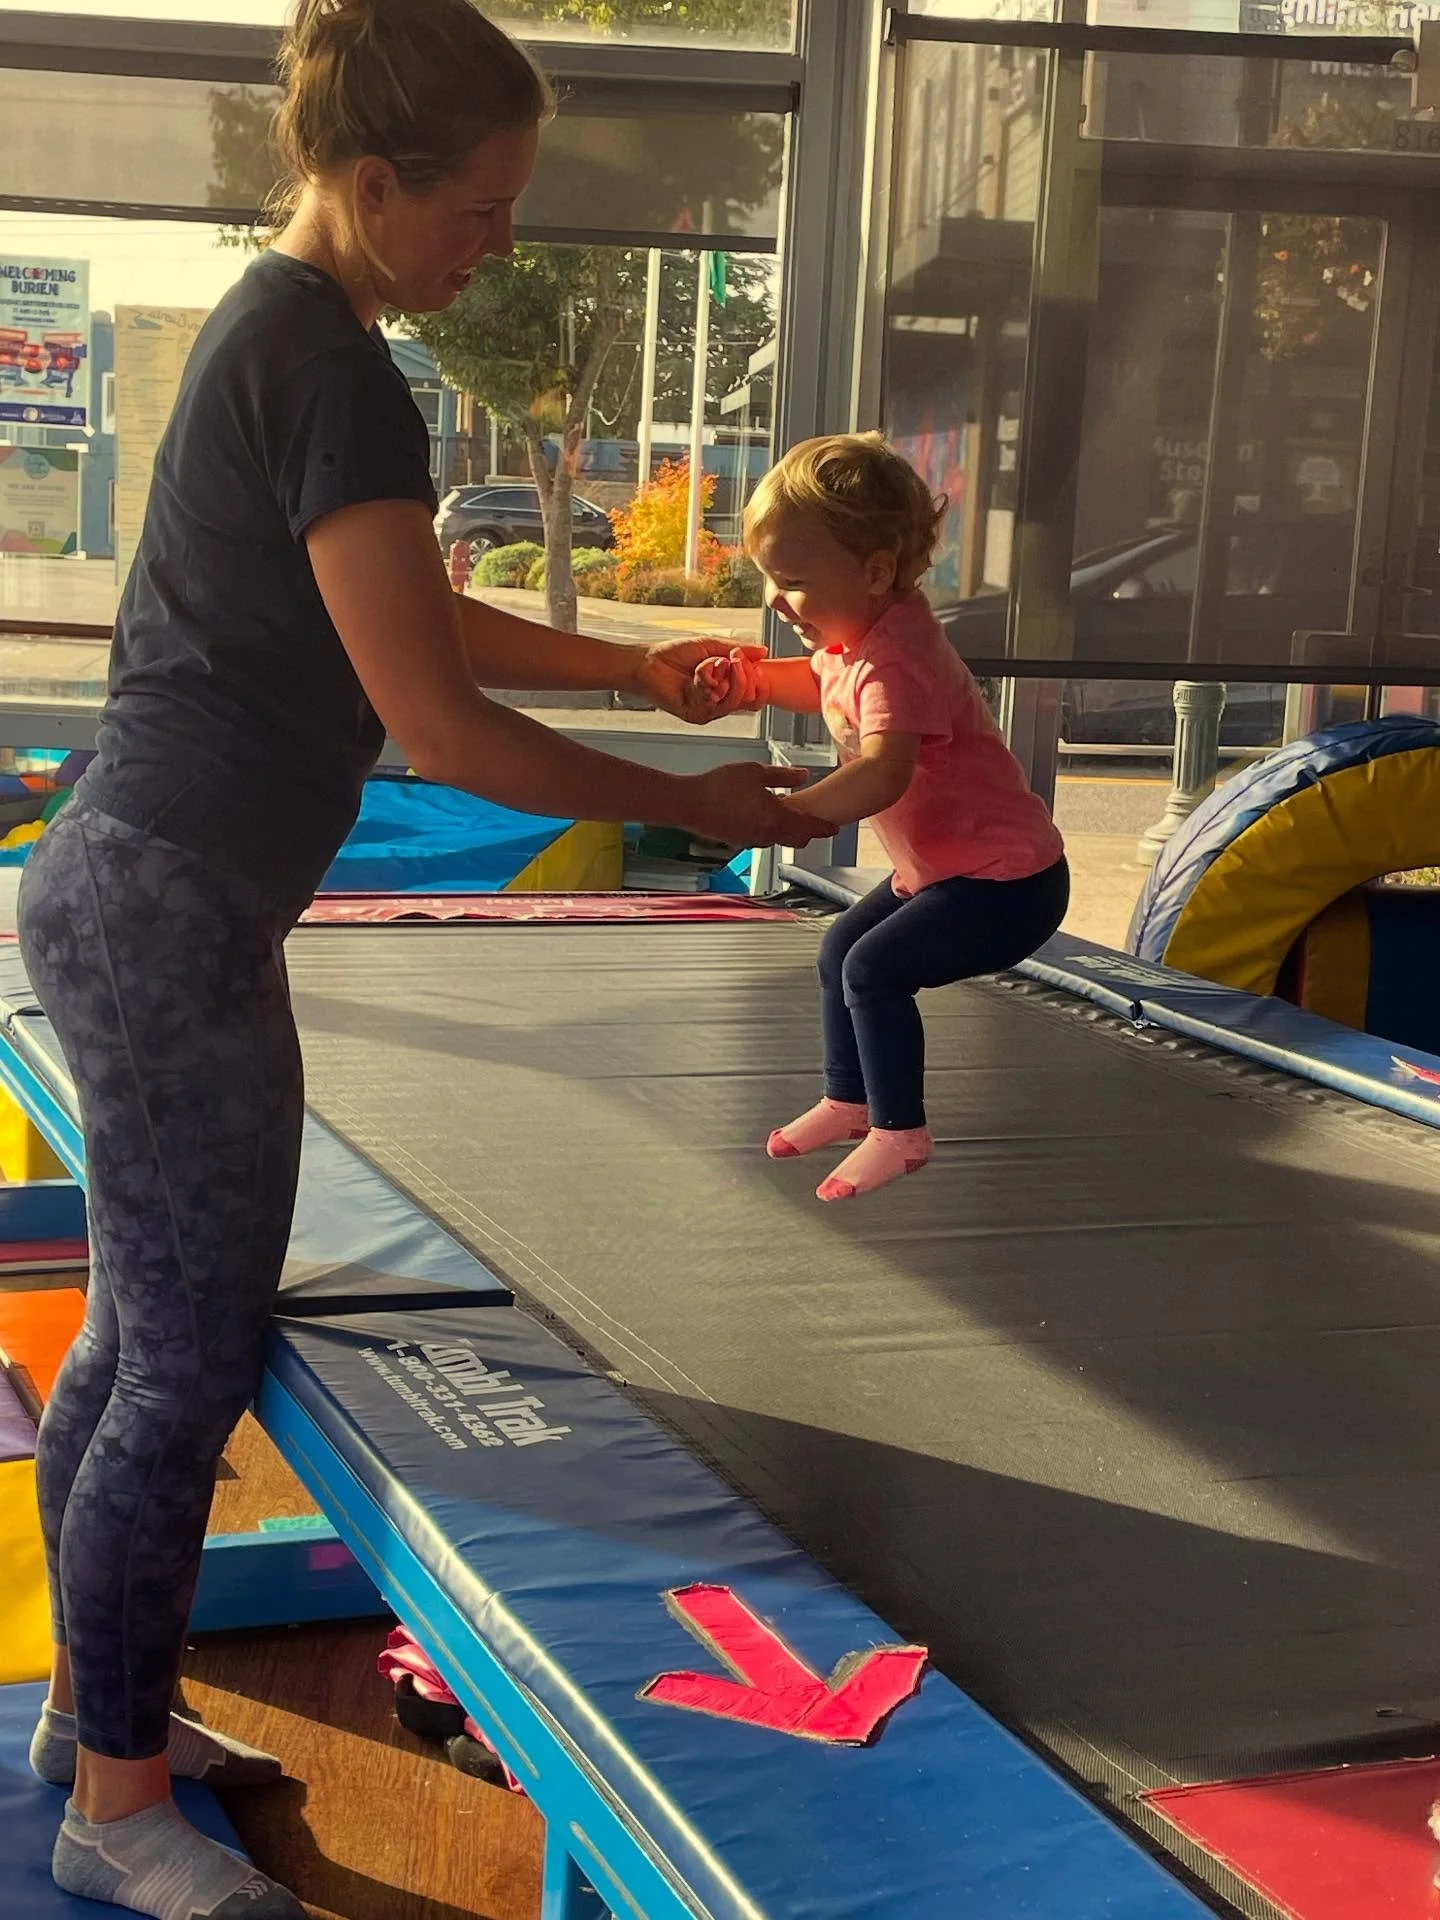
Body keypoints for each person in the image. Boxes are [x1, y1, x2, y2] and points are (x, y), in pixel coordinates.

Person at [16, 4, 817, 1915]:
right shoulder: (332, 367)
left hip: (135, 891)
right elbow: (438, 730)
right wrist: (722, 797)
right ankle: (117, 1808)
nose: (500, 248)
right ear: (374, 184)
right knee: (182, 1357)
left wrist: (632, 664)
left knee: (137, 1341)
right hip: (170, 911)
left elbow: (403, 608)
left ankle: (89, 1719)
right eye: (483, 207)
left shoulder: (282, 336)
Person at [696, 433, 1069, 1203]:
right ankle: (850, 1097)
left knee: (874, 970)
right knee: (839, 953)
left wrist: (789, 816)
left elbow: (883, 768)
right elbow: (826, 678)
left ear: (874, 571)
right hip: (944, 871)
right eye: (769, 577)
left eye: (791, 580)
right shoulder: (861, 633)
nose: (774, 598)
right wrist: (756, 686)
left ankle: (899, 1131)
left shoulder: (900, 657)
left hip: (1008, 885)